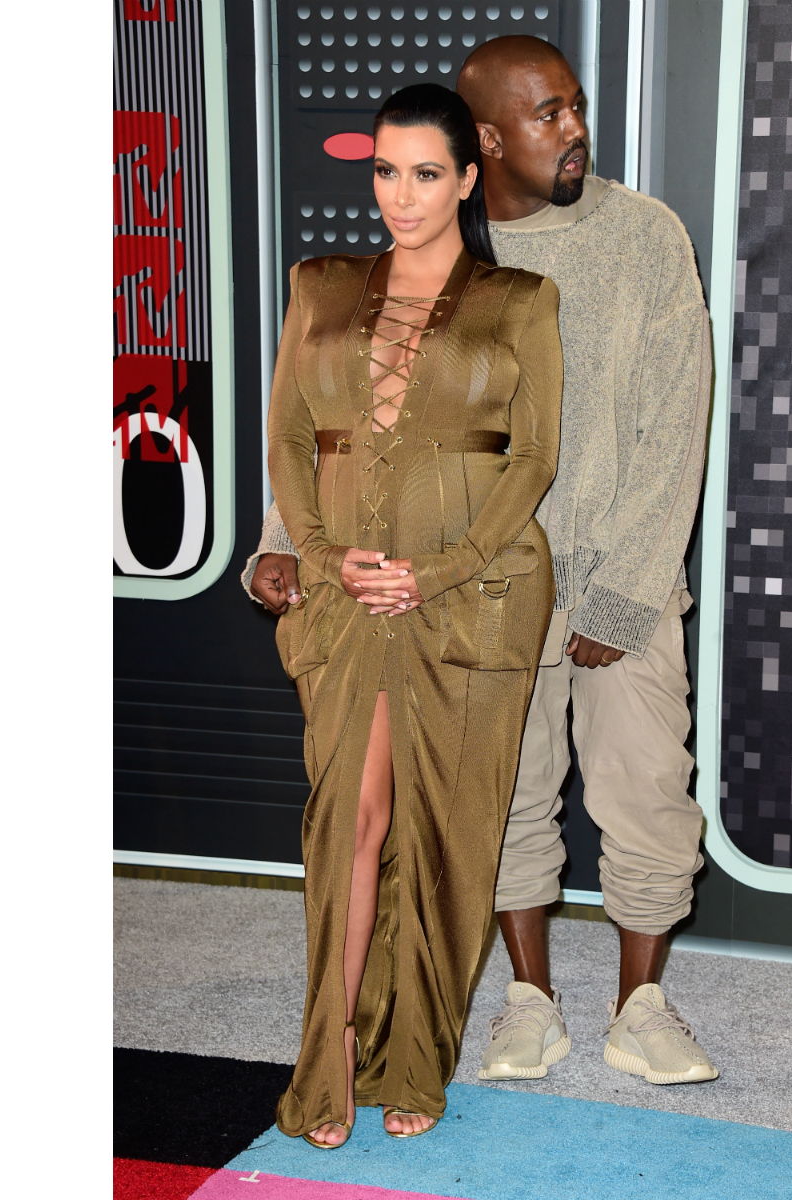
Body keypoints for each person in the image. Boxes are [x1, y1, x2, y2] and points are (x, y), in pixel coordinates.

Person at [249, 37, 716, 1089]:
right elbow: (349, 417)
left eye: (575, 106)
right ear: (488, 144)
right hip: (476, 587)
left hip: (615, 579)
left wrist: (625, 593)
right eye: (548, 115)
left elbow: (674, 421)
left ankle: (642, 1004)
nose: (575, 130)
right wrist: (285, 539)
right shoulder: (440, 248)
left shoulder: (644, 235)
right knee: (498, 802)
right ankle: (529, 998)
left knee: (649, 791)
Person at [262, 82, 561, 1148]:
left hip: (474, 599)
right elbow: (288, 437)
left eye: (426, 173)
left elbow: (535, 459)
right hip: (350, 600)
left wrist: (440, 570)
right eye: (386, 171)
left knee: (446, 835)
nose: (401, 194)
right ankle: (331, 1050)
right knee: (351, 818)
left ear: (468, 180)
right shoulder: (321, 286)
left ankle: (416, 1058)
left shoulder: (520, 300)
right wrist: (322, 555)